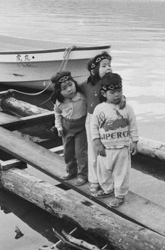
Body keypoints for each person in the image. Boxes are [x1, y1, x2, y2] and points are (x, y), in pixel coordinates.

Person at [89, 72, 139, 208]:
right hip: (105, 148)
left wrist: (134, 141)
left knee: (121, 173)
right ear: (104, 93)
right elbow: (94, 127)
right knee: (103, 171)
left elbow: (133, 125)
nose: (117, 95)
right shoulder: (99, 108)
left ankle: (120, 195)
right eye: (112, 92)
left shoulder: (127, 108)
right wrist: (97, 143)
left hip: (122, 148)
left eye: (119, 91)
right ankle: (108, 189)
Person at [80, 51, 113, 195]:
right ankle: (94, 180)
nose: (108, 68)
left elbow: (119, 96)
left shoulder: (112, 83)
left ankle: (108, 182)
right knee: (93, 150)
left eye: (109, 65)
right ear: (94, 70)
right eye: (104, 66)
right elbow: (74, 91)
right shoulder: (86, 84)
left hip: (108, 121)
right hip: (91, 119)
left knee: (106, 151)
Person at [51, 70, 88, 186]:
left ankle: (83, 174)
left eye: (70, 85)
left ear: (74, 83)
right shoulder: (59, 101)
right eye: (64, 88)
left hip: (81, 128)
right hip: (66, 128)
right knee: (68, 151)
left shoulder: (82, 96)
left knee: (81, 152)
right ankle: (71, 171)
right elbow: (57, 113)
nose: (69, 89)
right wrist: (58, 127)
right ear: (59, 91)